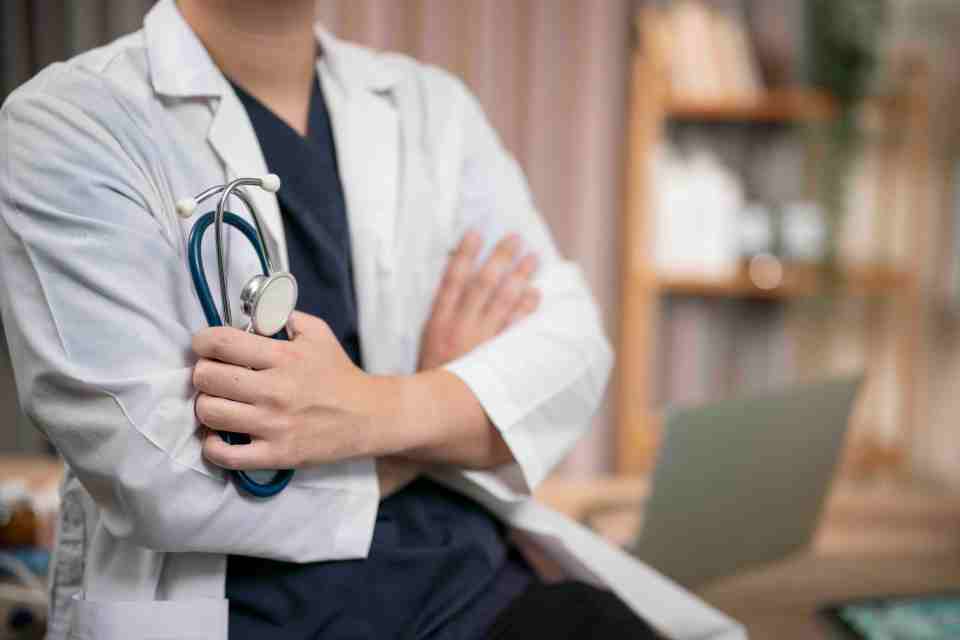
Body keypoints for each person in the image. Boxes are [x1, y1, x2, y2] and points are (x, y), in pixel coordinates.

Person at [0, 1, 745, 639]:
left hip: (480, 596)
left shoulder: (429, 108)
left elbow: (571, 352)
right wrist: (439, 419)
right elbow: (158, 480)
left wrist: (369, 410)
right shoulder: (70, 123)